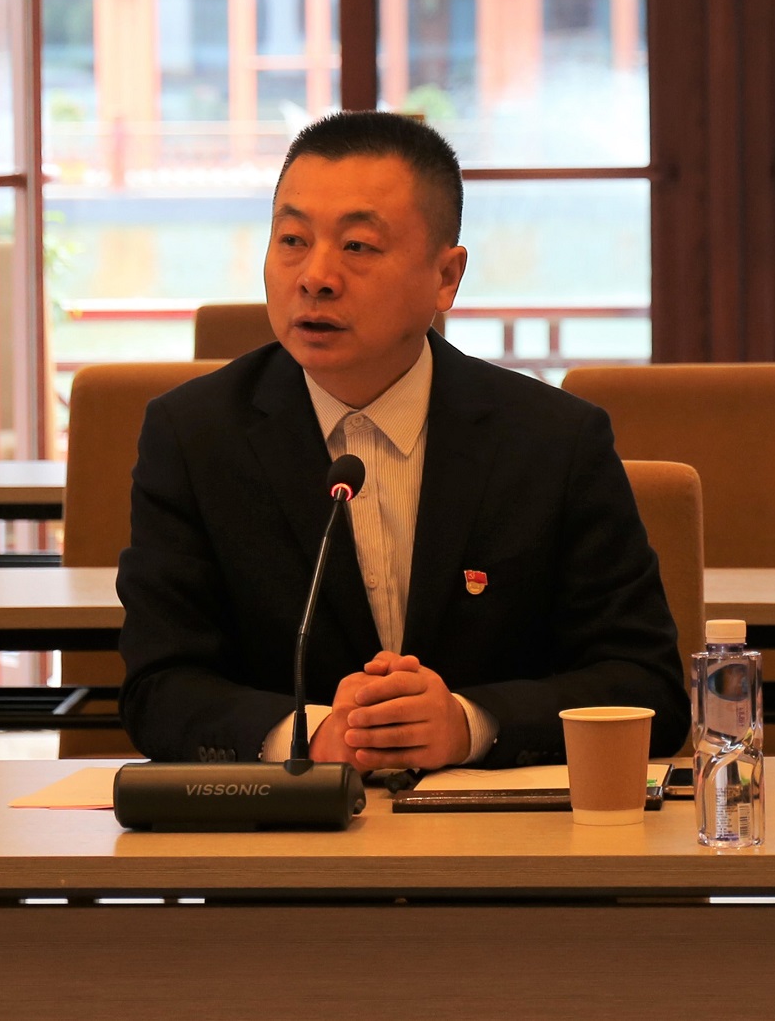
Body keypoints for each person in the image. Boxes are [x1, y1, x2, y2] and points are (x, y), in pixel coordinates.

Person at [117, 110, 690, 771]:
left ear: (446, 277)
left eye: (358, 246)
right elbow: (159, 688)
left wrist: (470, 724)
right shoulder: (195, 437)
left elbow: (646, 686)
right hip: (284, 831)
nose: (316, 276)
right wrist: (311, 735)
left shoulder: (553, 443)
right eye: (293, 239)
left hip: (502, 831)